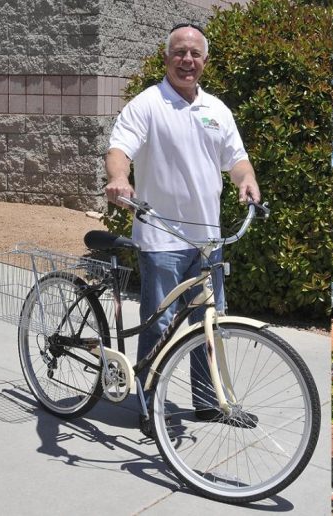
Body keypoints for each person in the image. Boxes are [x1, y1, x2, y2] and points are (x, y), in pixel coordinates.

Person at [104, 23, 260, 433]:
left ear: (205, 61)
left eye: (194, 54)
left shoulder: (217, 110)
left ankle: (210, 404)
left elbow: (237, 159)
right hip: (160, 238)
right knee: (160, 324)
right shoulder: (148, 104)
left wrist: (246, 179)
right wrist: (120, 178)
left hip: (208, 239)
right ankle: (149, 406)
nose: (187, 60)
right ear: (166, 57)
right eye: (179, 52)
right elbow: (119, 148)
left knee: (210, 321)